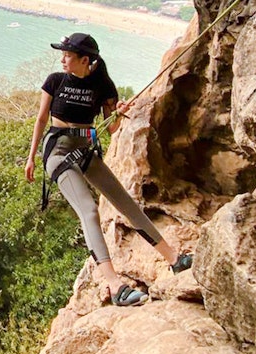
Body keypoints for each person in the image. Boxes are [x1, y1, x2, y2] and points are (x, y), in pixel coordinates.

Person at [24, 32, 192, 307]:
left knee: (126, 203)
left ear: (85, 60)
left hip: (86, 150)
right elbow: (42, 119)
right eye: (63, 55)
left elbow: (112, 128)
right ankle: (115, 286)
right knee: (88, 210)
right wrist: (31, 157)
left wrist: (117, 112)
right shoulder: (55, 81)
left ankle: (175, 260)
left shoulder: (103, 86)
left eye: (68, 55)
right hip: (58, 152)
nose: (62, 59)